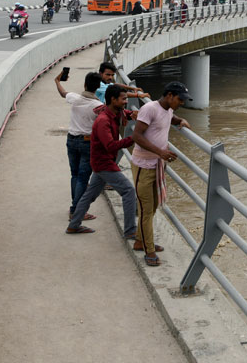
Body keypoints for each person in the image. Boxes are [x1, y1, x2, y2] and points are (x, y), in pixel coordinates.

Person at [130, 81, 192, 265]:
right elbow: (136, 135)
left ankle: (141, 241)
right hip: (144, 165)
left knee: (153, 206)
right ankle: (149, 251)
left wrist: (180, 120)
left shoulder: (168, 109)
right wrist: (160, 152)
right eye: (180, 99)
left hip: (157, 165)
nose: (182, 103)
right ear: (170, 95)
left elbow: (169, 117)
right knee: (145, 209)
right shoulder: (150, 108)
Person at [65, 86, 138, 237]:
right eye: (123, 99)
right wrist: (133, 138)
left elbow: (125, 113)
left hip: (101, 161)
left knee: (90, 195)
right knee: (128, 191)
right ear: (113, 99)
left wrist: (134, 114)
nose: (126, 102)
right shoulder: (103, 120)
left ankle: (74, 225)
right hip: (103, 162)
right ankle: (130, 231)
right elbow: (110, 145)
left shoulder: (115, 112)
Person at [57, 70, 103, 218]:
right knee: (83, 178)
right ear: (98, 87)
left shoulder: (75, 98)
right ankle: (77, 210)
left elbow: (63, 93)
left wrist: (57, 81)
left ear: (84, 84)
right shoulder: (98, 105)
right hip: (87, 143)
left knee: (75, 175)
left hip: (71, 140)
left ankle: (75, 208)